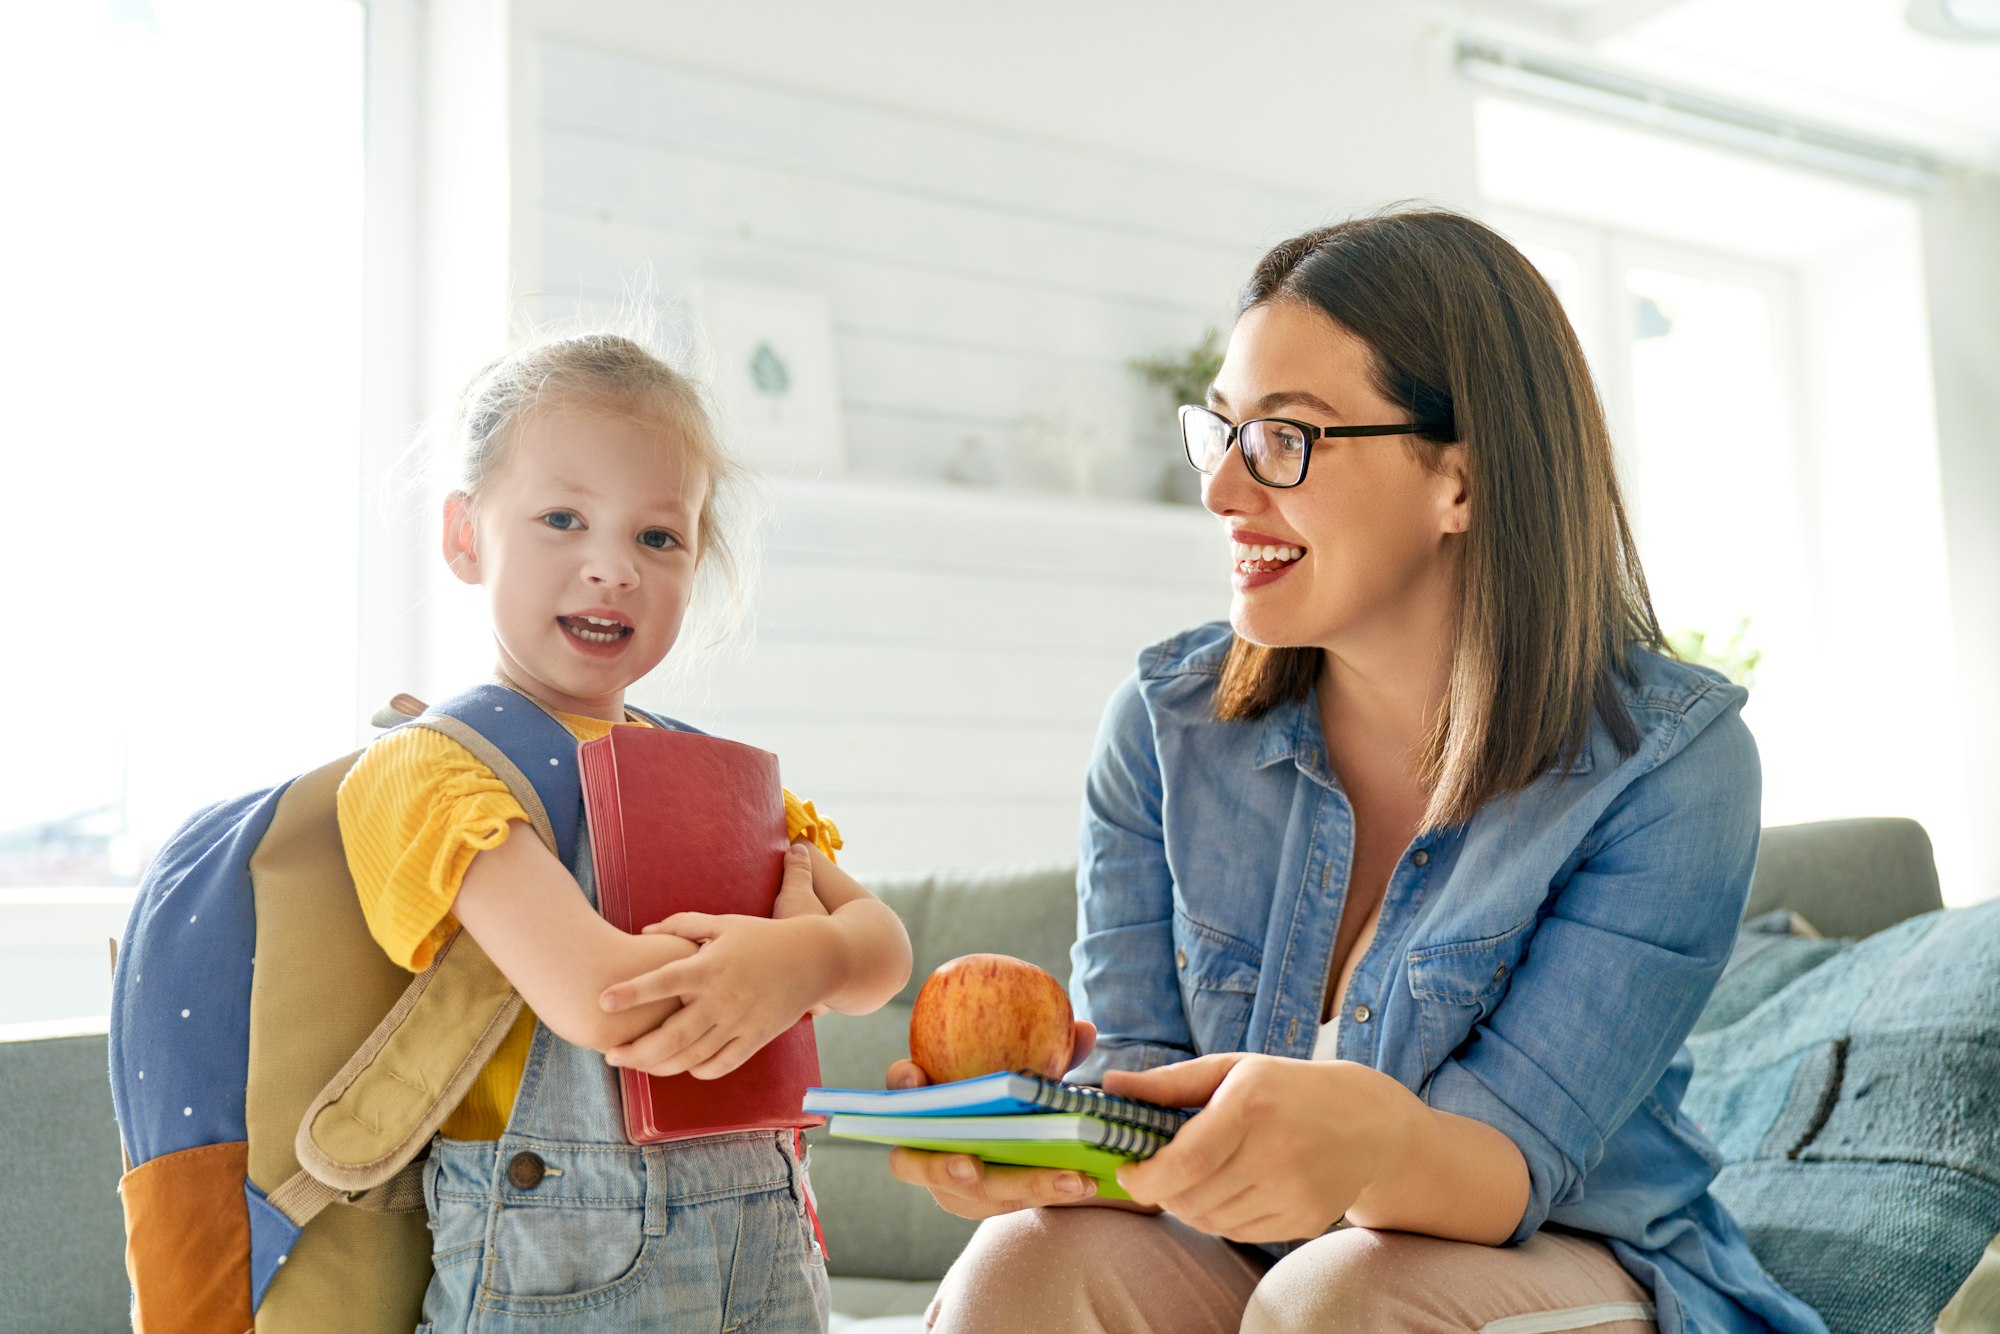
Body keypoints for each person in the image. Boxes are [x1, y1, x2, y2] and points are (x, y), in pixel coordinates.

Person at [888, 210, 1829, 1333]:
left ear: (1462, 482)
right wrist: (1039, 1149)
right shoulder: (1161, 726)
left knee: (1336, 1296)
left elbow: (1514, 1162)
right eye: (1220, 431)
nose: (1222, 493)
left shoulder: (1666, 767)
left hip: (1557, 1255)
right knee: (1024, 1262)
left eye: (1284, 438)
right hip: (1248, 1263)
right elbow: (1140, 1097)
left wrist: (1367, 1138)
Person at [337, 332, 912, 1332]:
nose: (612, 568)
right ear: (466, 534)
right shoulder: (435, 767)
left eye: (659, 537)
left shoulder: (716, 778)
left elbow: (882, 952)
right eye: (563, 518)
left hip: (770, 1253)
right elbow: (603, 997)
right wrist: (775, 963)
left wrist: (810, 951)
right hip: (562, 1266)